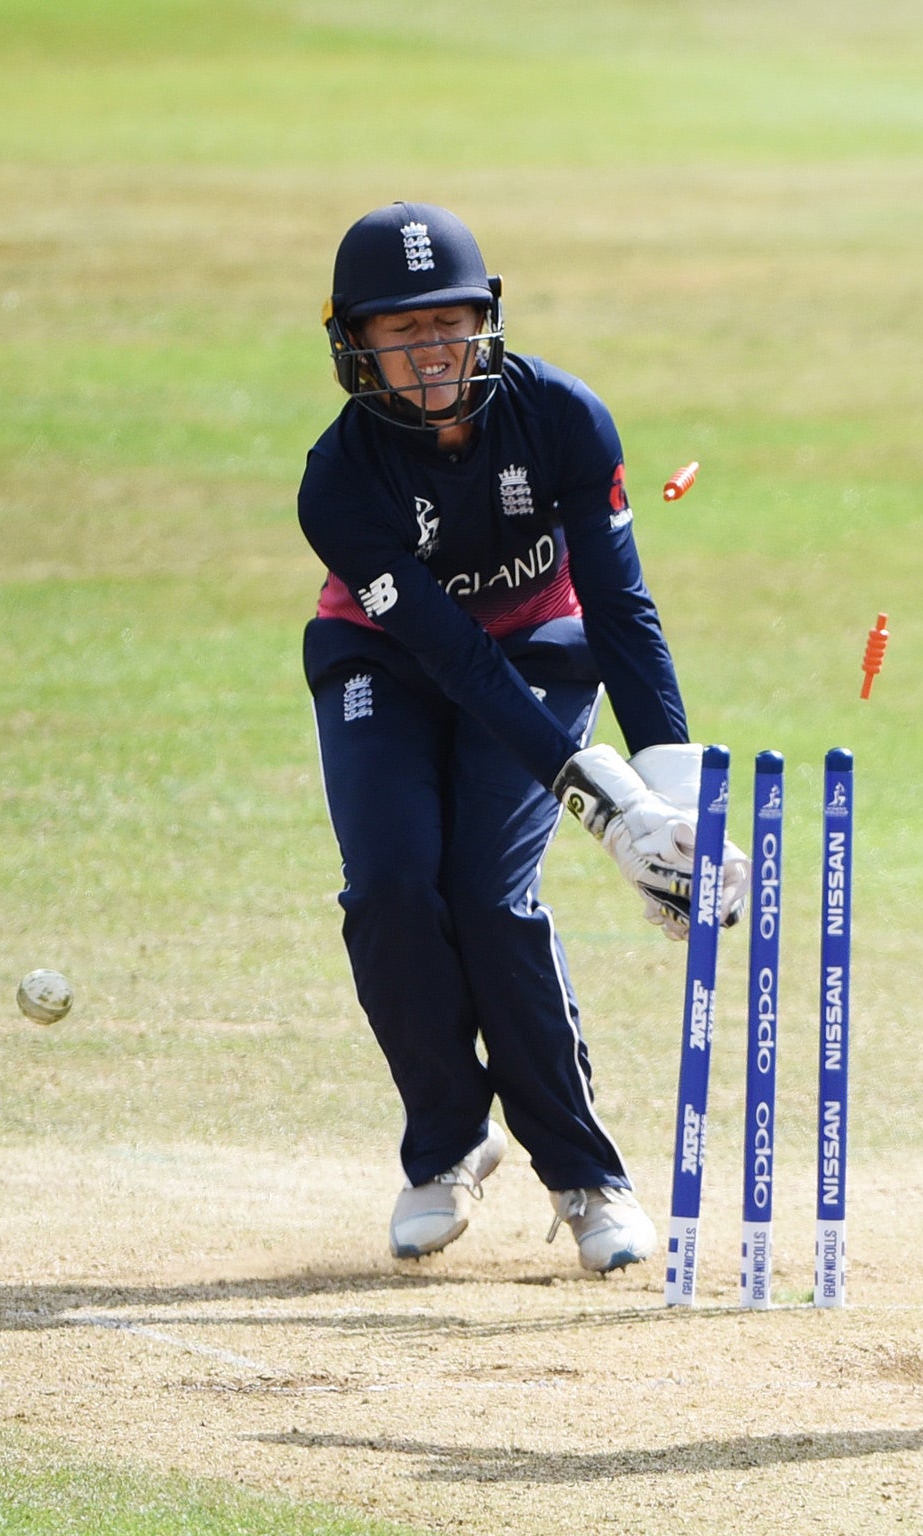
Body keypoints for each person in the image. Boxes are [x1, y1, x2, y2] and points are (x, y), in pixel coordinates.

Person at [297, 201, 747, 1273]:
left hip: (544, 648)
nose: (431, 351)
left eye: (448, 323)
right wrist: (605, 807)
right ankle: (446, 1148)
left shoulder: (562, 417)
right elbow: (451, 657)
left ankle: (585, 1177)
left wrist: (670, 794)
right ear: (356, 345)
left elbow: (618, 605)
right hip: (385, 663)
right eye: (401, 332)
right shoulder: (339, 481)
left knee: (492, 899)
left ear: (486, 320)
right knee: (393, 888)